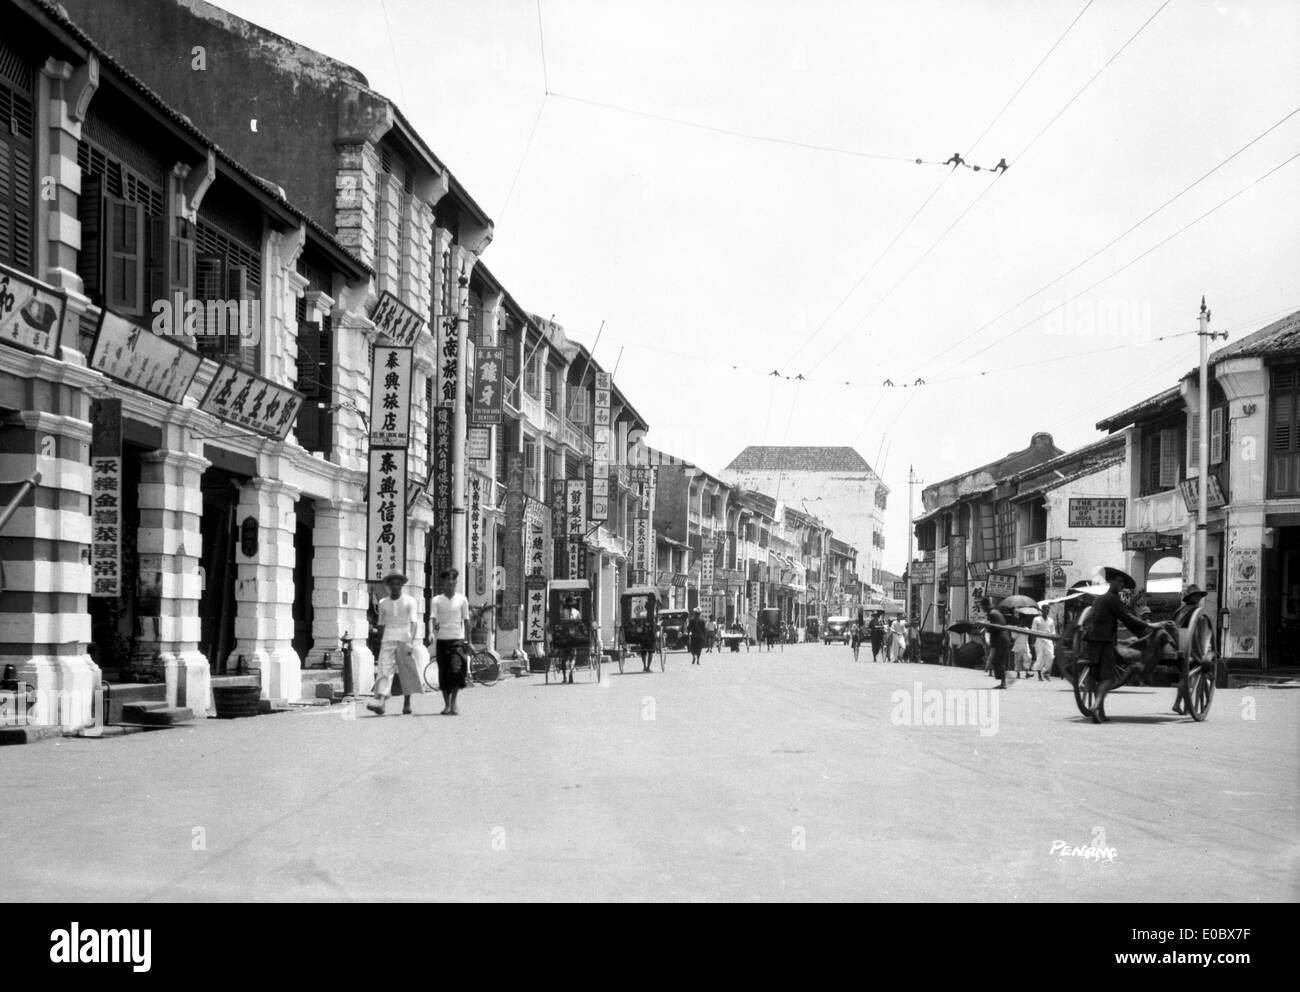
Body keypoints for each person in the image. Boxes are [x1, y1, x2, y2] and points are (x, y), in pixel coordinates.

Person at [1082, 567, 1156, 723]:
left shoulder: (1099, 599)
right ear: (1111, 582)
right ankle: (1096, 707)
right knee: (1108, 678)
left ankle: (1100, 711)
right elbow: (1127, 618)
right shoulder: (1112, 599)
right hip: (1105, 641)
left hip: (1091, 641)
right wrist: (1147, 629)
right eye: (1118, 581)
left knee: (1097, 677)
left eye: (1122, 582)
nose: (1121, 584)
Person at [367, 571, 420, 716]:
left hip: (404, 637)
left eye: (398, 583)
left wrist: (411, 641)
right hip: (388, 638)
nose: (395, 586)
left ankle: (407, 703)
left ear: (402, 584)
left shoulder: (409, 601)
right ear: (388, 585)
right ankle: (382, 703)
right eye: (392, 583)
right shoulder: (383, 603)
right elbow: (381, 624)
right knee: (385, 670)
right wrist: (380, 641)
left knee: (406, 671)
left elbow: (414, 622)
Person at [431, 568, 472, 709]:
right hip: (442, 640)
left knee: (456, 671)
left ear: (456, 582)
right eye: (447, 579)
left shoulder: (462, 600)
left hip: (457, 640)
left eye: (453, 579)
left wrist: (469, 641)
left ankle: (454, 701)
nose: (450, 582)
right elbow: (433, 619)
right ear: (442, 582)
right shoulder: (437, 600)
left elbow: (466, 621)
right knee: (443, 673)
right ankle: (446, 704)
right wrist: (432, 632)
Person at [1169, 584, 1209, 714]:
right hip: (1186, 645)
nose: (1198, 599)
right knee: (1186, 677)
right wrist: (1200, 655)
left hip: (1176, 643)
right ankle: (1177, 704)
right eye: (1196, 596)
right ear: (1192, 598)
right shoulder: (1195, 612)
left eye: (1198, 596)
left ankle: (1186, 705)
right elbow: (1194, 634)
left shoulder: (1180, 611)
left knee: (1185, 677)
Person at [982, 596, 1011, 689]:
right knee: (999, 660)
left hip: (1000, 639)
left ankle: (1004, 682)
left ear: (985, 606)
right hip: (1002, 638)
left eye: (982, 606)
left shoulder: (992, 614)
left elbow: (995, 628)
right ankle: (1005, 681)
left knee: (998, 661)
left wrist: (986, 626)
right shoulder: (995, 612)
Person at [1031, 607, 1057, 681]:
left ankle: (1045, 671)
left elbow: (1053, 632)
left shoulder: (1051, 620)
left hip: (1048, 641)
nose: (1046, 611)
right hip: (1039, 640)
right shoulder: (1036, 619)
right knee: (1040, 657)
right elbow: (1033, 631)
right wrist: (1033, 642)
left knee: (1051, 656)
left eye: (1047, 610)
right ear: (1042, 610)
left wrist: (1054, 642)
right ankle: (1039, 675)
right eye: (1045, 610)